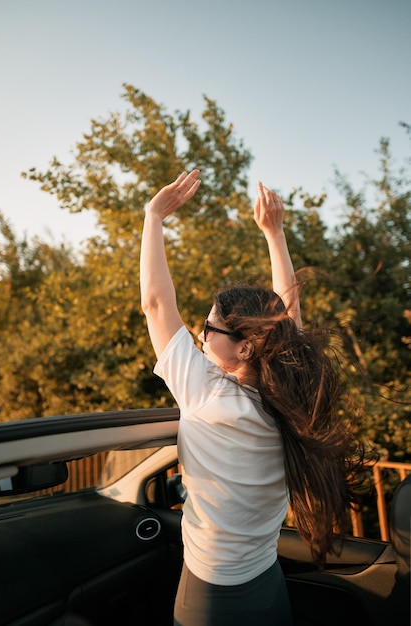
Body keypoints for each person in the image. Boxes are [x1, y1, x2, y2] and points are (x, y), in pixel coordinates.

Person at [140, 169, 369, 626]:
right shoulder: (291, 392)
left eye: (209, 327)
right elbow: (289, 321)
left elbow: (157, 305)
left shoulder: (204, 393)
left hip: (211, 598)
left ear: (246, 346)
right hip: (269, 584)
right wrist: (274, 232)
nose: (199, 333)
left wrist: (153, 217)